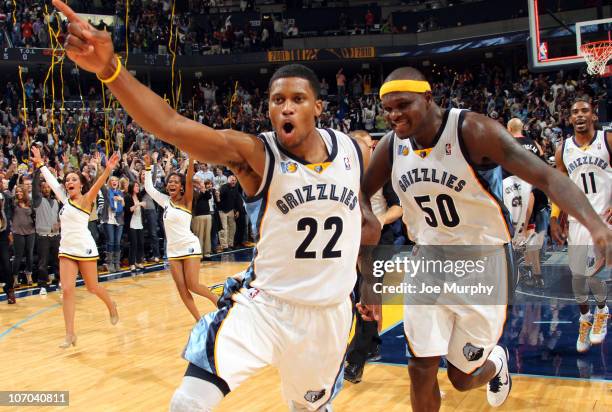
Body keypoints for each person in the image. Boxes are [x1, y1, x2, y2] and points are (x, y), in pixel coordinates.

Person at [54, 2, 367, 409]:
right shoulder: (255, 154)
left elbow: (368, 221)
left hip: (329, 315)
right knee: (187, 402)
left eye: (297, 99)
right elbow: (171, 125)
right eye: (277, 100)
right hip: (266, 306)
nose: (286, 107)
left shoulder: (353, 150)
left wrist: (373, 289)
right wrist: (111, 70)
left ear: (318, 107)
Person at [359, 68, 611, 411]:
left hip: (484, 262)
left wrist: (596, 226)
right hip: (428, 260)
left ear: (429, 98)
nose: (393, 115)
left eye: (402, 104)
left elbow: (548, 178)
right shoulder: (391, 145)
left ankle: (496, 364)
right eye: (387, 108)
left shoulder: (472, 131)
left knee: (461, 378)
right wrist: (367, 249)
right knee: (420, 368)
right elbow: (361, 196)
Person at [30, 146, 120, 348]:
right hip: (66, 249)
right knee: (67, 290)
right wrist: (40, 163)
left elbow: (98, 184)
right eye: (67, 180)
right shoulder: (64, 199)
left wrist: (107, 170)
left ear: (81, 185)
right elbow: (53, 183)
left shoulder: (87, 199)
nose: (69, 182)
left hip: (85, 247)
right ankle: (70, 334)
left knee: (92, 287)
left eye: (74, 180)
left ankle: (111, 305)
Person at [550, 98, 611, 353]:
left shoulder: (607, 140)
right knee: (577, 278)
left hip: (603, 220)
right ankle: (586, 317)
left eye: (585, 110)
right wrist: (555, 216)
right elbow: (559, 186)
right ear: (570, 119)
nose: (580, 115)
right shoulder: (563, 150)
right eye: (574, 112)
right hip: (576, 220)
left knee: (594, 273)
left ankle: (602, 311)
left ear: (594, 115)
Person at [344, 130, 402, 384]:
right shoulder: (343, 176)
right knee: (355, 295)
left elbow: (398, 208)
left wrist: (379, 220)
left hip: (378, 241)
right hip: (349, 241)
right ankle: (373, 344)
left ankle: (355, 361)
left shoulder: (383, 175)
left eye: (370, 145)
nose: (372, 148)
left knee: (367, 296)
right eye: (366, 145)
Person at [143, 154, 218, 321]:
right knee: (182, 289)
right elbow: (149, 188)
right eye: (170, 181)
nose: (172, 184)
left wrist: (191, 159)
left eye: (176, 182)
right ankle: (199, 321)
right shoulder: (165, 201)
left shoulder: (187, 200)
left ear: (182, 187)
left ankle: (220, 303)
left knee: (193, 285)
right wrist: (148, 167)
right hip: (173, 251)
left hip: (189, 246)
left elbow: (190, 177)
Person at [502, 118, 548, 288]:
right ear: (523, 128)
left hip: (512, 192)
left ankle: (517, 273)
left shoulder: (505, 143)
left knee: (514, 236)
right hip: (533, 190)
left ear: (508, 128)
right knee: (531, 235)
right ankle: (536, 275)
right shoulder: (535, 144)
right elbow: (544, 167)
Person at [32, 164, 61, 293]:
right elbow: (34, 187)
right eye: (44, 187)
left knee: (58, 261)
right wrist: (38, 170)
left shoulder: (55, 202)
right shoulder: (38, 200)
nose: (47, 189)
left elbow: (58, 217)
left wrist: (59, 224)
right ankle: (43, 285)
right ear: (41, 189)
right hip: (42, 236)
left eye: (48, 187)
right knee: (42, 263)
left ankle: (59, 281)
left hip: (55, 236)